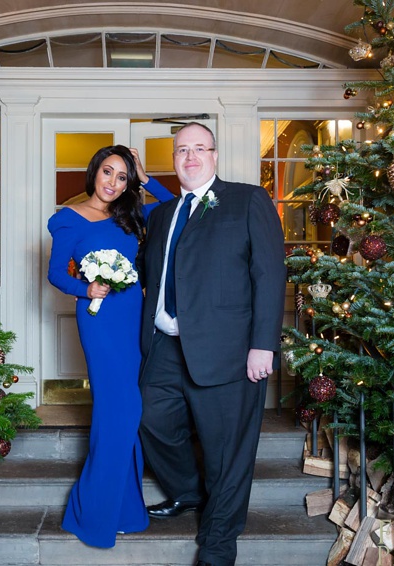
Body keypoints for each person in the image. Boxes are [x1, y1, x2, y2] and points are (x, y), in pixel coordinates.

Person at [138, 123, 286, 566]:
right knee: (149, 418)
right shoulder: (162, 214)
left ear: (215, 155)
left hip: (229, 350)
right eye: (182, 150)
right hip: (165, 346)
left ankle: (218, 546)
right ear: (173, 158)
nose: (190, 157)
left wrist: (263, 345)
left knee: (227, 453)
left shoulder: (247, 200)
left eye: (199, 148)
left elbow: (270, 275)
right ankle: (188, 491)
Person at [46, 145, 174, 548]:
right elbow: (55, 274)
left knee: (123, 414)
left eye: (123, 177)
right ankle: (92, 512)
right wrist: (86, 287)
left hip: (134, 320)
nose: (114, 183)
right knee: (122, 409)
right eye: (108, 172)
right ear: (94, 172)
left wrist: (146, 176)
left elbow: (177, 205)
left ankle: (125, 511)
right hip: (99, 319)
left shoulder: (133, 215)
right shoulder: (67, 219)